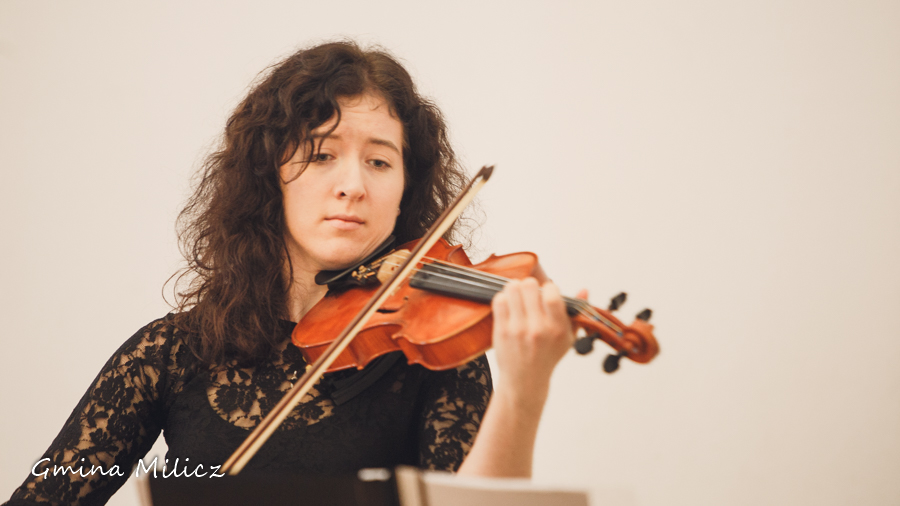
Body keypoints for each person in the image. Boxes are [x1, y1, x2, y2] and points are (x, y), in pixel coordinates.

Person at [5, 40, 578, 505]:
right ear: (268, 173)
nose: (353, 185)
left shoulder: (435, 356)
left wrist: (523, 395)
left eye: (380, 161)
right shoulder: (173, 352)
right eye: (323, 154)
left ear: (405, 189)